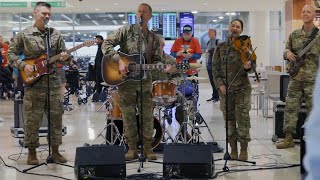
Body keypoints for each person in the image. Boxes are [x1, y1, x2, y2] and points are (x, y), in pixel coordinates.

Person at [102, 3, 171, 161]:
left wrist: (163, 67)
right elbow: (106, 44)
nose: (141, 14)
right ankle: (132, 148)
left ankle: (147, 148)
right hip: (125, 83)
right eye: (139, 11)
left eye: (144, 12)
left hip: (145, 83)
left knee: (147, 116)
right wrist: (119, 61)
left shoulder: (153, 38)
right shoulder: (126, 31)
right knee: (128, 116)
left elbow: (157, 60)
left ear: (150, 16)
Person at [7, 1, 69, 165]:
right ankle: (32, 153)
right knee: (32, 121)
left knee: (56, 119)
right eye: (43, 13)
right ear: (34, 13)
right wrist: (23, 65)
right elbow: (10, 55)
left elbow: (65, 56)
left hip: (54, 85)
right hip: (34, 86)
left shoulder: (55, 34)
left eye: (49, 13)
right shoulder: (25, 34)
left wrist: (65, 57)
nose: (47, 16)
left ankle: (55, 152)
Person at [276, 5, 320, 149]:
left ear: (314, 15)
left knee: (313, 110)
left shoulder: (318, 36)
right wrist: (287, 53)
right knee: (290, 108)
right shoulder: (294, 34)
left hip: (312, 79)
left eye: (308, 12)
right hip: (296, 78)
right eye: (303, 11)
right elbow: (286, 50)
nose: (305, 13)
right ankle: (288, 138)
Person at [213, 19, 255, 161]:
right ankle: (233, 150)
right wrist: (220, 85)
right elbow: (215, 69)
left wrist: (249, 67)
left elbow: (252, 66)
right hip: (226, 90)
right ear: (228, 28)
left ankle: (243, 150)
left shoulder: (246, 46)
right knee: (229, 122)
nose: (235, 28)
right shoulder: (221, 47)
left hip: (242, 89)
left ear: (241, 30)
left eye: (238, 27)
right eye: (233, 26)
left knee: (243, 120)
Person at [206, 29, 220, 102]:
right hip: (209, 64)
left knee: (216, 81)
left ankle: (218, 96)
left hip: (215, 65)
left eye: (210, 32)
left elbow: (219, 52)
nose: (209, 34)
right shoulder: (208, 42)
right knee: (211, 81)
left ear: (214, 33)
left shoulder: (218, 41)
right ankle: (214, 95)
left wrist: (211, 50)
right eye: (208, 33)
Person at [92, 35, 104, 102]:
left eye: (98, 39)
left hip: (102, 68)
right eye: (96, 39)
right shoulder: (99, 47)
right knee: (98, 82)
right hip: (97, 68)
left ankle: (103, 96)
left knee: (103, 81)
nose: (96, 41)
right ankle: (97, 97)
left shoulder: (104, 46)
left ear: (102, 40)